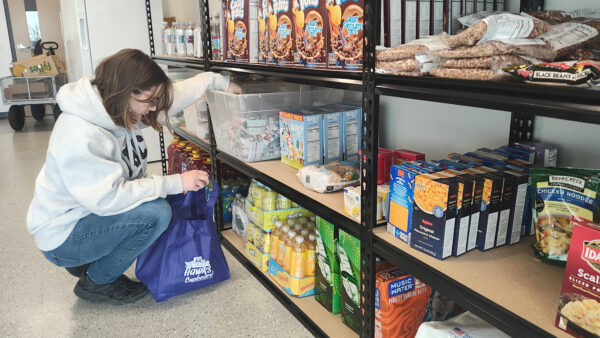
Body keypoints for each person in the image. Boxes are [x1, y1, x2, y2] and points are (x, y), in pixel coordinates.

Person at [26, 49, 242, 304]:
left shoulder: (116, 109)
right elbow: (109, 199)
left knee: (154, 203)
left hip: (85, 216)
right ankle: (97, 283)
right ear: (126, 92)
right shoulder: (81, 135)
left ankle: (90, 260)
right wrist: (175, 183)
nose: (153, 108)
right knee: (156, 214)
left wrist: (219, 81)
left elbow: (175, 96)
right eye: (149, 101)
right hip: (64, 236)